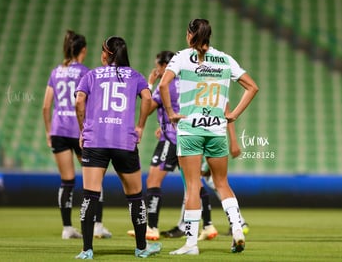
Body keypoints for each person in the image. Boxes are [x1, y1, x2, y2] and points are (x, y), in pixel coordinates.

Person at [159, 18, 259, 255]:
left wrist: (172, 113)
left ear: (189, 34)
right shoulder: (225, 58)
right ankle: (236, 230)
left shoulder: (182, 57)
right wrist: (232, 114)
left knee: (192, 185)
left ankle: (191, 244)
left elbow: (164, 86)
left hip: (190, 129)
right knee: (222, 183)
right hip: (216, 130)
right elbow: (252, 87)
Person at [74, 36, 162, 259]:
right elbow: (147, 98)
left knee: (89, 195)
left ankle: (86, 250)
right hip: (124, 140)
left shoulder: (91, 75)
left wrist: (83, 129)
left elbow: (78, 101)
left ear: (107, 53)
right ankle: (142, 248)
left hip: (96, 141)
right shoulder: (136, 76)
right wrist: (140, 126)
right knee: (135, 196)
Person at [126, 51, 218, 241]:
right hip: (190, 138)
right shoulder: (188, 82)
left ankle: (151, 227)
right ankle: (208, 225)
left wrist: (150, 83)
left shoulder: (165, 84)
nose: (156, 70)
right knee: (193, 183)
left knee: (153, 181)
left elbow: (149, 107)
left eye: (158, 66)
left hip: (171, 140)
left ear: (164, 66)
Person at [42, 30, 111, 240]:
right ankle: (97, 225)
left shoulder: (56, 72)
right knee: (94, 179)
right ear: (84, 50)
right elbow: (92, 103)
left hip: (59, 131)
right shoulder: (86, 72)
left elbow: (46, 106)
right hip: (80, 131)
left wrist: (48, 131)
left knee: (67, 181)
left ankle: (67, 228)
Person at [162, 119, 249, 240]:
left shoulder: (193, 107)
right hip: (215, 139)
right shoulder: (217, 103)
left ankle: (191, 231)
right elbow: (229, 114)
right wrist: (233, 141)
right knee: (219, 185)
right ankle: (237, 226)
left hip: (199, 143)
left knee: (193, 185)